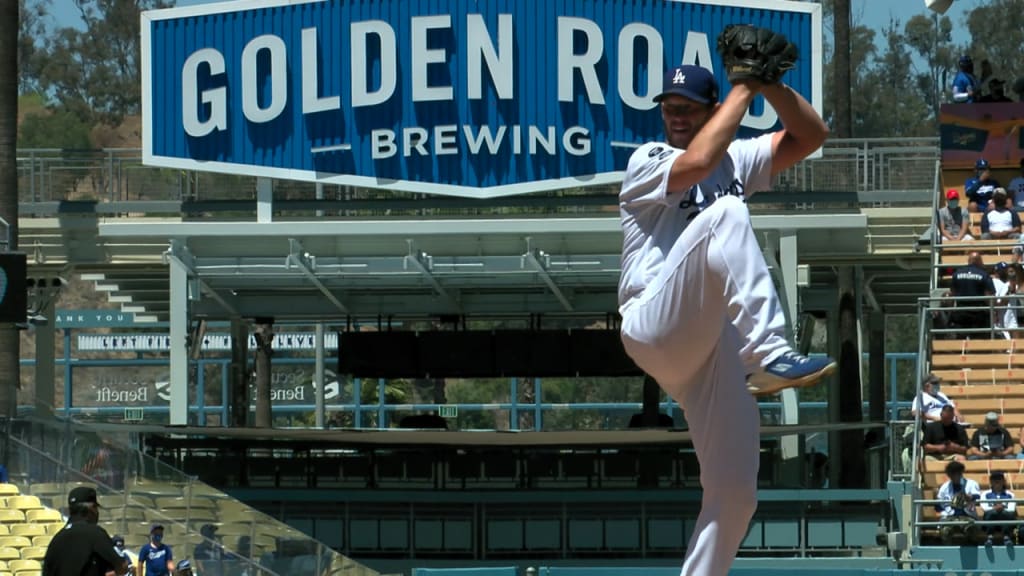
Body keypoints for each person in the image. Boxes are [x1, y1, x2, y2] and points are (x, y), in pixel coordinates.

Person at [616, 56, 834, 574]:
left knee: (735, 493)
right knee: (728, 213)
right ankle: (769, 352)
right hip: (654, 321)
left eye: (687, 108)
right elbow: (694, 164)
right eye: (669, 107)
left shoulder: (735, 159)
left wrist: (771, 85)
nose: (675, 116)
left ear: (711, 110)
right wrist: (743, 88)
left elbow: (811, 135)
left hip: (712, 355)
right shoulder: (647, 157)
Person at [42, 486, 128, 576]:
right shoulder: (95, 533)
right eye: (96, 508)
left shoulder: (56, 540)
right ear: (91, 508)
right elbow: (122, 566)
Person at [948, 252, 996, 338]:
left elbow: (952, 294)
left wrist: (951, 312)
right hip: (979, 314)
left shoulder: (957, 274)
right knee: (979, 342)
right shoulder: (984, 275)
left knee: (960, 340)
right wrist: (993, 313)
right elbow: (989, 296)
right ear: (978, 261)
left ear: (969, 261)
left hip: (961, 312)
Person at [936, 460, 981, 544]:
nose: (955, 476)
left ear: (961, 473)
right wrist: (949, 504)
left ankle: (971, 553)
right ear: (949, 474)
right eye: (952, 473)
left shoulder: (971, 483)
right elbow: (938, 506)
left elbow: (977, 496)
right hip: (950, 518)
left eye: (957, 473)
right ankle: (948, 552)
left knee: (971, 530)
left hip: (968, 517)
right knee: (945, 531)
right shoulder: (945, 487)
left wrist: (968, 497)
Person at [980, 471, 1018, 544]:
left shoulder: (1010, 494)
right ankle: (989, 537)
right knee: (990, 513)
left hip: (1005, 516)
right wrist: (996, 508)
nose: (997, 481)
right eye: (994, 479)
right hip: (991, 517)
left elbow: (1011, 509)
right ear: (991, 481)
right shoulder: (985, 494)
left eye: (999, 479)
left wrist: (1001, 508)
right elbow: (984, 507)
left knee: (1007, 514)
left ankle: (1006, 537)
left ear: (1003, 481)